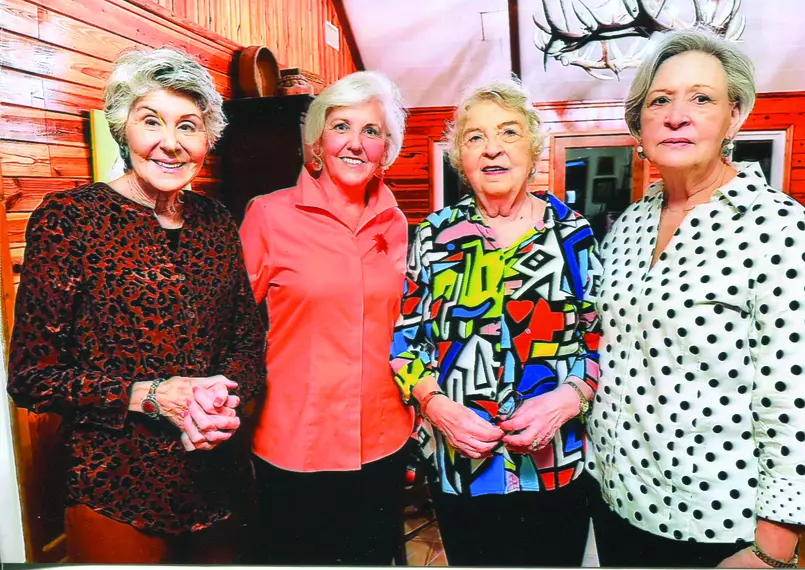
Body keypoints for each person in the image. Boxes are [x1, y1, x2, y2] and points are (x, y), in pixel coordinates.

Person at [586, 28, 805, 568]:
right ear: (639, 122)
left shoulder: (781, 228)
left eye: (701, 98)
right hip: (617, 499)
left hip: (714, 522)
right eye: (660, 100)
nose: (677, 116)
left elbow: (798, 401)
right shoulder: (628, 225)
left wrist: (773, 550)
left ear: (734, 116)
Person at [6, 47, 266, 564]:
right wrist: (149, 396)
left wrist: (221, 396)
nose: (171, 143)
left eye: (188, 126)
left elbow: (248, 339)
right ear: (123, 128)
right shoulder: (70, 220)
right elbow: (32, 376)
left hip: (218, 479)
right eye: (151, 121)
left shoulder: (216, 221)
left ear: (207, 139)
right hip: (116, 486)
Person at [391, 78, 600, 567]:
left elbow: (599, 341)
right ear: (460, 157)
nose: (492, 149)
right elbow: (406, 343)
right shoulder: (435, 236)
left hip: (554, 467)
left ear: (534, 147)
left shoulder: (572, 234)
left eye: (509, 132)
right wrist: (437, 407)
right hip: (462, 468)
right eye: (475, 137)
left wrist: (568, 400)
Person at [239, 70, 414, 565]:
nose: (355, 143)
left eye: (371, 131)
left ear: (386, 149)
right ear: (317, 142)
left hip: (382, 440)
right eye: (341, 127)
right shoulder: (268, 216)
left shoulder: (398, 224)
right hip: (297, 441)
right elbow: (232, 325)